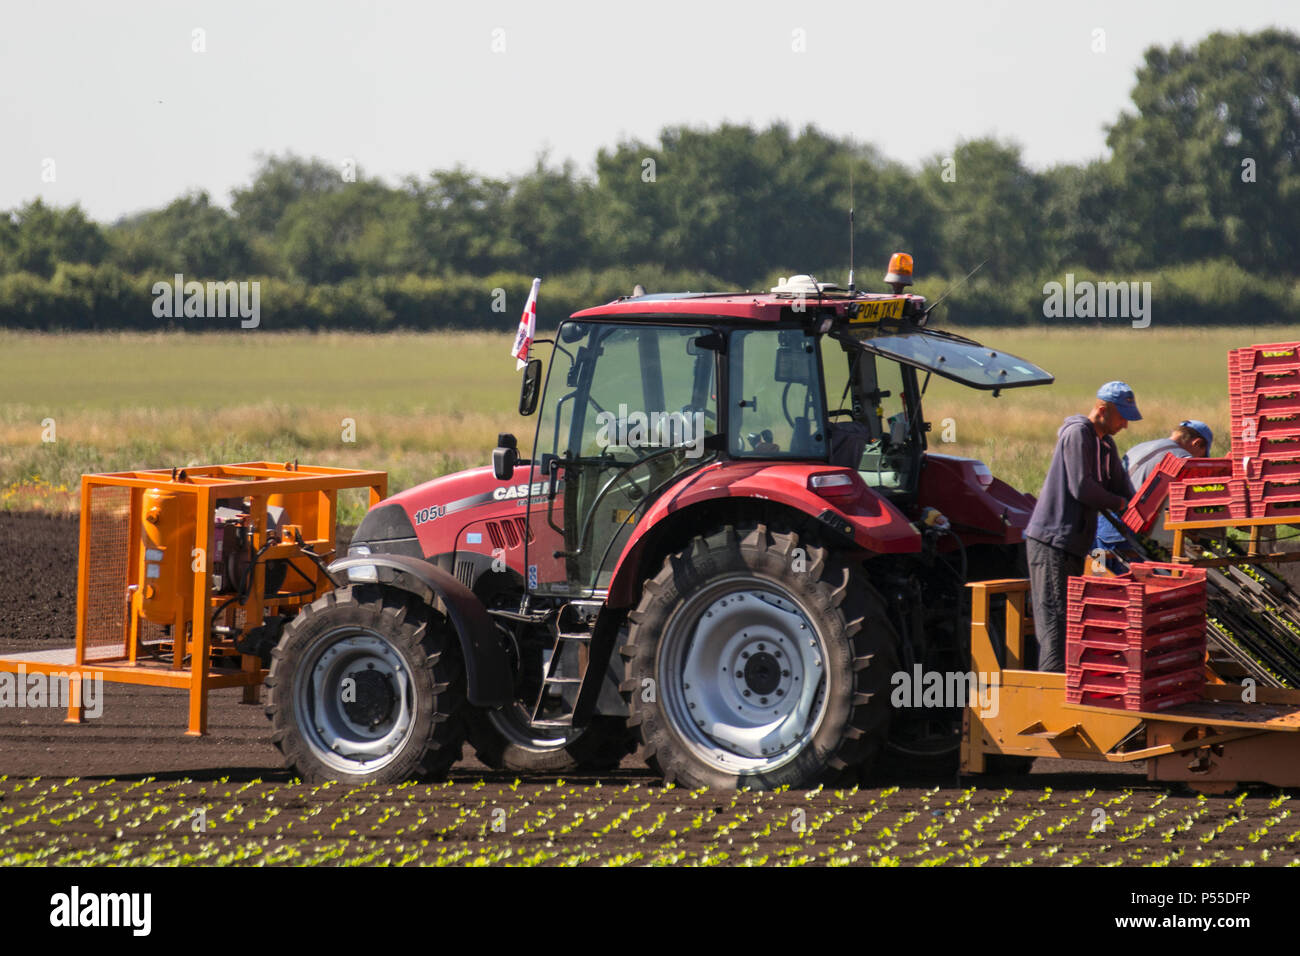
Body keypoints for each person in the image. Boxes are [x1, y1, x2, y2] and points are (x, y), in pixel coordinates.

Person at [1023, 382, 1140, 672]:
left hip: (1074, 542)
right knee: (1056, 622)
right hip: (1053, 540)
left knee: (1069, 619)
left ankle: (1064, 686)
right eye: (1121, 416)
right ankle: (1050, 691)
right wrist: (1120, 504)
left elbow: (1122, 489)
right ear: (1102, 410)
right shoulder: (1078, 434)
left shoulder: (1105, 444)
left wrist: (1140, 507)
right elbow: (1081, 488)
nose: (1124, 424)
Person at [1094, 420, 1213, 560]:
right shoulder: (1183, 460)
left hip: (1105, 526)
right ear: (1197, 443)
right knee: (1129, 578)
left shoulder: (1139, 447)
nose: (1197, 459)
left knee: (1098, 573)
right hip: (1129, 537)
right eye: (1201, 455)